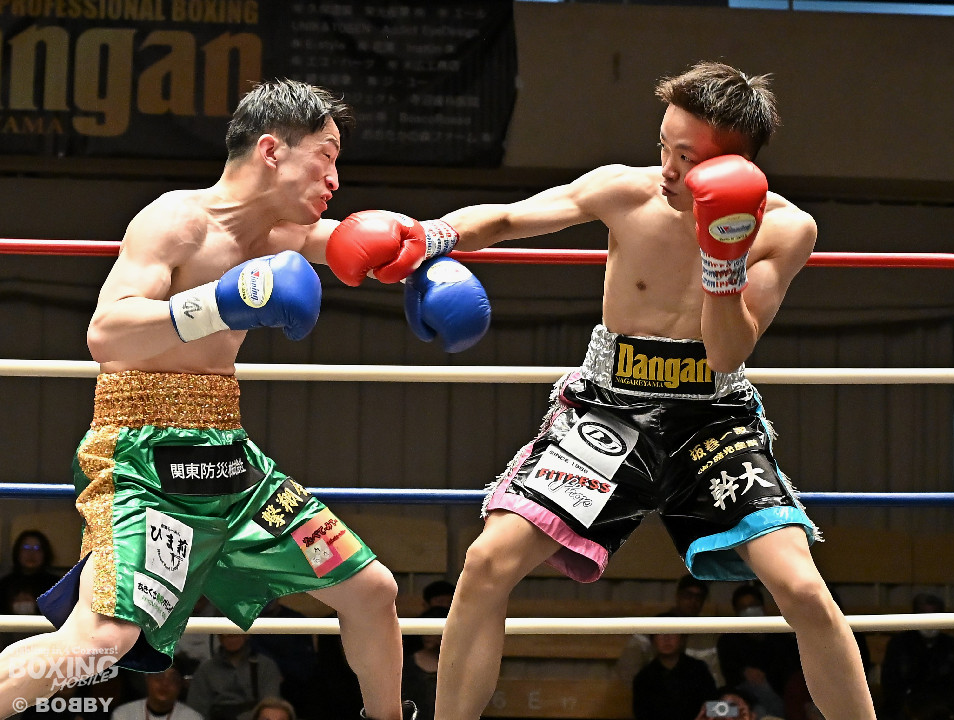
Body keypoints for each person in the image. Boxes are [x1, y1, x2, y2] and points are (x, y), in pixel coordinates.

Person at [321, 60, 876, 720]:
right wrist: (429, 236)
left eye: (688, 158)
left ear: (738, 165)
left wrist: (721, 259)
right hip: (609, 407)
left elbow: (728, 350)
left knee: (803, 591)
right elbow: (507, 218)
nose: (668, 169)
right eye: (664, 146)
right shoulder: (625, 191)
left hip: (712, 417)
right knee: (488, 562)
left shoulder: (787, 228)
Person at [0, 79, 461, 720]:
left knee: (370, 589)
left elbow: (410, 237)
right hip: (144, 456)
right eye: (326, 157)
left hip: (231, 463)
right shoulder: (176, 220)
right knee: (102, 640)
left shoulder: (285, 237)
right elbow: (106, 333)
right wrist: (219, 304)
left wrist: (431, 251)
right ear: (271, 150)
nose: (335, 180)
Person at [615, 574, 721, 685]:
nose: (693, 601)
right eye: (688, 595)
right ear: (677, 596)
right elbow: (628, 669)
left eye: (698, 597)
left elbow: (716, 678)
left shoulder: (710, 636)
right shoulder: (652, 628)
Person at [716, 584, 799, 719]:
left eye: (753, 605)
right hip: (742, 700)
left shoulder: (781, 638)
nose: (749, 610)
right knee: (717, 707)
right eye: (743, 608)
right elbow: (730, 675)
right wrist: (744, 672)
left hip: (780, 701)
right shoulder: (728, 641)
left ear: (763, 608)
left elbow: (791, 675)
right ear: (737, 613)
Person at [879, 593, 954, 720]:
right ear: (914, 615)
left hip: (943, 713)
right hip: (905, 712)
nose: (929, 622)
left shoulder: (952, 646)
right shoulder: (899, 644)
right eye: (924, 615)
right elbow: (890, 686)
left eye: (935, 615)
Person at [186, 634, 282, 720]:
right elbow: (196, 711)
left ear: (247, 634)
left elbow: (270, 707)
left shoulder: (266, 665)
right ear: (219, 636)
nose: (231, 635)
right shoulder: (205, 670)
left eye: (236, 632)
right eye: (226, 632)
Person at [631, 630, 717, 720]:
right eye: (660, 633)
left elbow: (715, 706)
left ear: (682, 639)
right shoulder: (643, 679)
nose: (666, 638)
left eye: (672, 632)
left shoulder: (699, 669)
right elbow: (641, 714)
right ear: (652, 640)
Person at [0, 530, 61, 648]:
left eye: (37, 548)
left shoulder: (56, 584)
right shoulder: (4, 584)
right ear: (17, 552)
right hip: (8, 647)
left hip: (46, 647)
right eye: (26, 547)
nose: (31, 553)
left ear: (45, 553)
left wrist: (36, 607)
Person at [111, 659, 201, 720]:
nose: (165, 683)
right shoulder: (124, 714)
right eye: (159, 676)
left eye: (173, 679)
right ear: (147, 679)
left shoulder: (192, 718)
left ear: (181, 685)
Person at [401, 607, 449, 720]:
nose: (427, 635)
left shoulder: (457, 664)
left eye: (433, 631)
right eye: (425, 631)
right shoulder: (408, 662)